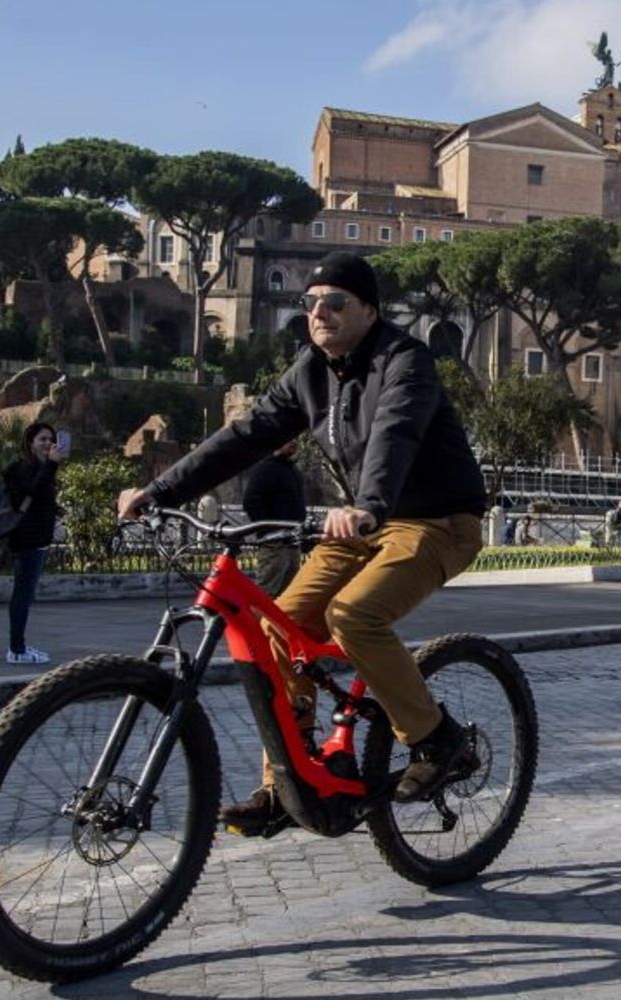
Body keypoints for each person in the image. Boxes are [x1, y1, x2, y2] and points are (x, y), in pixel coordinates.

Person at [116, 252, 488, 832]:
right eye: (310, 303)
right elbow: (243, 436)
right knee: (277, 626)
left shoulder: (404, 361)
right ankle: (286, 785)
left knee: (353, 616)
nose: (320, 313)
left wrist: (368, 505)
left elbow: (395, 431)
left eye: (335, 303)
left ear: (368, 310)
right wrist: (160, 491)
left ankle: (438, 741)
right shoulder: (309, 372)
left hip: (436, 522)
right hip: (359, 525)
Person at [3, 422, 66, 665]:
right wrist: (52, 465)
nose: (48, 443)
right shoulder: (22, 467)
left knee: (26, 595)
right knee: (22, 594)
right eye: (42, 439)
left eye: (51, 439)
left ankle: (19, 647)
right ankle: (16, 650)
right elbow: (29, 494)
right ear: (30, 442)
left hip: (37, 537)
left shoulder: (39, 467)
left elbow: (40, 497)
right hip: (26, 538)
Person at [241, 439, 308, 598]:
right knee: (265, 594)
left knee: (288, 596)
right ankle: (255, 623)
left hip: (292, 542)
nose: (293, 442)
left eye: (295, 439)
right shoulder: (265, 468)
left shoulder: (293, 471)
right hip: (274, 544)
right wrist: (268, 530)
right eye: (288, 439)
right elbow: (251, 501)